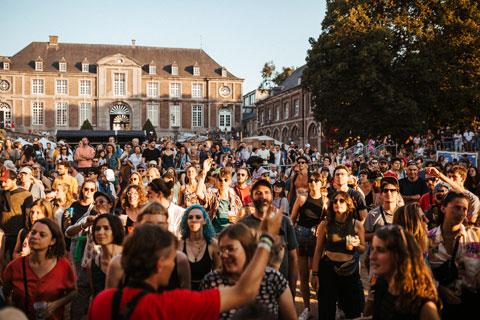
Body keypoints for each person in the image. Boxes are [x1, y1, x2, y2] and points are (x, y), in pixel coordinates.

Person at [89, 201, 285, 319]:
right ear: (159, 265)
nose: (172, 262)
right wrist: (267, 238)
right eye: (169, 258)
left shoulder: (103, 301)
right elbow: (245, 291)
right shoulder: (175, 304)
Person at [201, 223, 297, 320]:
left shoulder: (272, 277)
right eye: (221, 250)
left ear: (246, 248)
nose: (224, 255)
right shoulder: (212, 280)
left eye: (230, 249)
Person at [105, 201, 191, 290]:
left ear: (167, 226)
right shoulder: (118, 263)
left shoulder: (179, 260)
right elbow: (110, 300)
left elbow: (185, 300)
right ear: (137, 225)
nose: (154, 229)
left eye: (160, 224)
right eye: (149, 224)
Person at [2, 219, 77, 320]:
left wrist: (55, 305)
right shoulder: (15, 266)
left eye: (42, 235)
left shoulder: (62, 265)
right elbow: (6, 292)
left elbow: (73, 292)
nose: (35, 236)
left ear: (52, 241)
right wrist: (14, 313)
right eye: (33, 232)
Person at [311, 191, 366, 320]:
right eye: (335, 201)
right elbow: (318, 250)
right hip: (328, 268)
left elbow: (363, 249)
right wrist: (314, 273)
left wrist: (357, 244)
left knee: (353, 310)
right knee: (326, 309)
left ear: (348, 204)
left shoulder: (356, 224)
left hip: (349, 270)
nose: (337, 203)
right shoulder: (325, 224)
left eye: (341, 201)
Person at [240, 179, 299, 297]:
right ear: (251, 197)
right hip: (253, 290)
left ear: (272, 196)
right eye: (258, 193)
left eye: (266, 192)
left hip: (281, 289)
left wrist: (292, 288)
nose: (263, 196)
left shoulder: (285, 222)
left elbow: (293, 258)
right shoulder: (243, 225)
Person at [369, 225, 440, 319]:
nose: (372, 257)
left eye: (381, 250)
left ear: (399, 255)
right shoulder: (382, 283)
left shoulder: (423, 305)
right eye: (373, 249)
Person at [428, 191, 480, 318]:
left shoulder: (476, 235)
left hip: (472, 305)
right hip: (439, 306)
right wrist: (439, 289)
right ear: (443, 208)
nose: (461, 213)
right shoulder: (427, 239)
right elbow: (420, 273)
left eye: (464, 209)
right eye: (457, 207)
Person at [290, 172, 326, 317]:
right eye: (311, 180)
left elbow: (328, 221)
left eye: (316, 180)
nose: (313, 183)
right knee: (303, 276)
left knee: (316, 276)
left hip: (317, 240)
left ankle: (322, 305)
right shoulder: (302, 198)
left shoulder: (326, 201)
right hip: (301, 238)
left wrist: (322, 227)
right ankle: (307, 309)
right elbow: (292, 219)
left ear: (321, 183)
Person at [178, 204, 221, 290]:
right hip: (184, 292)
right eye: (190, 217)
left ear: (204, 221)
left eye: (198, 217)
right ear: (186, 221)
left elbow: (218, 273)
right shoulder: (179, 244)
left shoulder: (213, 244)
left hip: (206, 292)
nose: (194, 220)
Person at [197, 159, 242, 233]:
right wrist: (204, 171)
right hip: (215, 234)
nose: (223, 182)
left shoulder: (235, 198)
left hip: (231, 234)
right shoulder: (213, 196)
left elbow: (241, 217)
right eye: (220, 180)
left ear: (230, 181)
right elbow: (199, 193)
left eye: (226, 180)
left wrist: (237, 219)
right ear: (217, 181)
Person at [0, 166, 33, 261]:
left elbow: (28, 216)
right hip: (2, 235)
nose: (3, 184)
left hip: (17, 235)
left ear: (14, 180)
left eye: (6, 181)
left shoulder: (25, 195)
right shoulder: (1, 193)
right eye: (1, 181)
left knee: (15, 262)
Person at [89, 214, 124, 297]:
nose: (100, 232)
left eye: (106, 228)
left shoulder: (128, 257)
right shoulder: (94, 262)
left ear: (115, 230)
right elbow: (95, 294)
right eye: (97, 229)